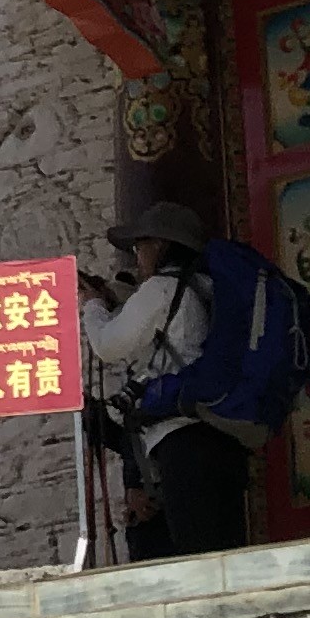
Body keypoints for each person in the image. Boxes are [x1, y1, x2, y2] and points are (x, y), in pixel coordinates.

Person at [83, 201, 246, 558]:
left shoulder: (160, 288)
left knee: (198, 556)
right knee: (224, 550)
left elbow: (108, 345)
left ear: (159, 245)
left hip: (182, 439)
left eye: (141, 247)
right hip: (221, 433)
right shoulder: (204, 286)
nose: (138, 256)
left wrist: (93, 305)